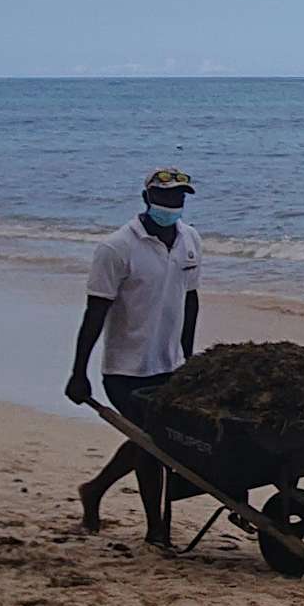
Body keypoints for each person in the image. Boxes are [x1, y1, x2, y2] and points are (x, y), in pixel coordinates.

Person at [65, 167, 202, 542]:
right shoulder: (117, 248)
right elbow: (95, 313)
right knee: (152, 443)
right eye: (164, 197)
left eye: (178, 197)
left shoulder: (190, 240)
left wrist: (189, 358)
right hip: (126, 369)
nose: (171, 204)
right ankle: (156, 529)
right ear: (146, 199)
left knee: (156, 440)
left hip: (168, 364)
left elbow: (190, 300)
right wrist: (79, 372)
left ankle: (95, 489)